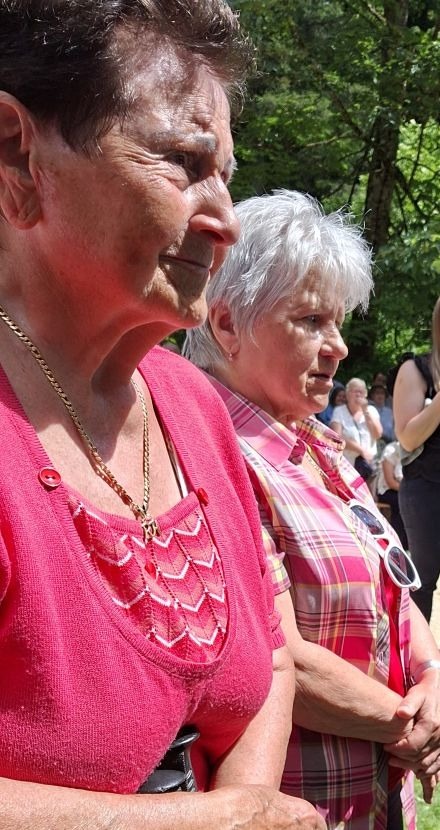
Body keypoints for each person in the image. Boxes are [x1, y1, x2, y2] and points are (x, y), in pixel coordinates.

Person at [0, 4, 326, 829]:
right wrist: (216, 823)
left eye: (226, 173)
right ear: (15, 151)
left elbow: (270, 655)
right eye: (184, 161)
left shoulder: (192, 406)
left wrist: (245, 801)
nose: (226, 220)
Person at [184, 189, 440, 830]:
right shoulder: (208, 455)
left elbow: (395, 586)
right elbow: (278, 659)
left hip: (375, 797)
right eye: (311, 320)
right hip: (299, 806)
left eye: (339, 322)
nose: (339, 346)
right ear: (226, 325)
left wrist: (434, 679)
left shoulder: (317, 448)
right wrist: (410, 725)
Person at [393, 297, 440, 623]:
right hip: (426, 489)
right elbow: (407, 437)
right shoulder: (415, 370)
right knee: (422, 581)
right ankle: (417, 654)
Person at [330, 376, 382, 488]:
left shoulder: (371, 410)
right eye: (355, 391)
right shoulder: (339, 411)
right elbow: (337, 437)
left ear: (366, 394)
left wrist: (365, 411)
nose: (358, 395)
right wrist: (361, 450)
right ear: (347, 394)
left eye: (361, 392)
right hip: (347, 466)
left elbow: (377, 434)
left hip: (369, 465)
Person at [376, 441, 408, 550]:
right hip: (387, 490)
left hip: (405, 490)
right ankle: (399, 544)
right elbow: (390, 482)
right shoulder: (391, 450)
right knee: (401, 502)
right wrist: (408, 491)